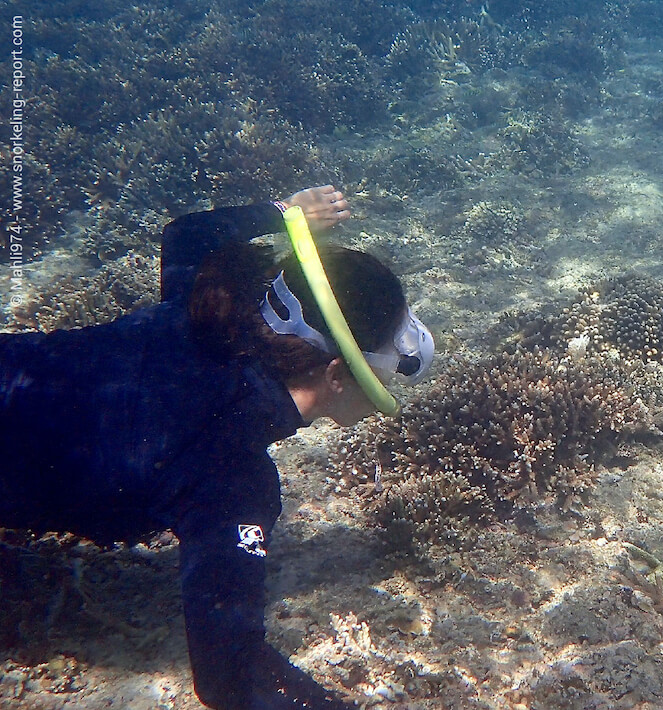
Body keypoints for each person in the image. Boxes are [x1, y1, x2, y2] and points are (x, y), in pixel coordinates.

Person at [0, 185, 433, 709]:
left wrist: (285, 214)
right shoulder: (234, 479)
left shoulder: (205, 301)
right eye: (385, 371)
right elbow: (231, 674)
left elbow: (187, 233)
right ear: (338, 374)